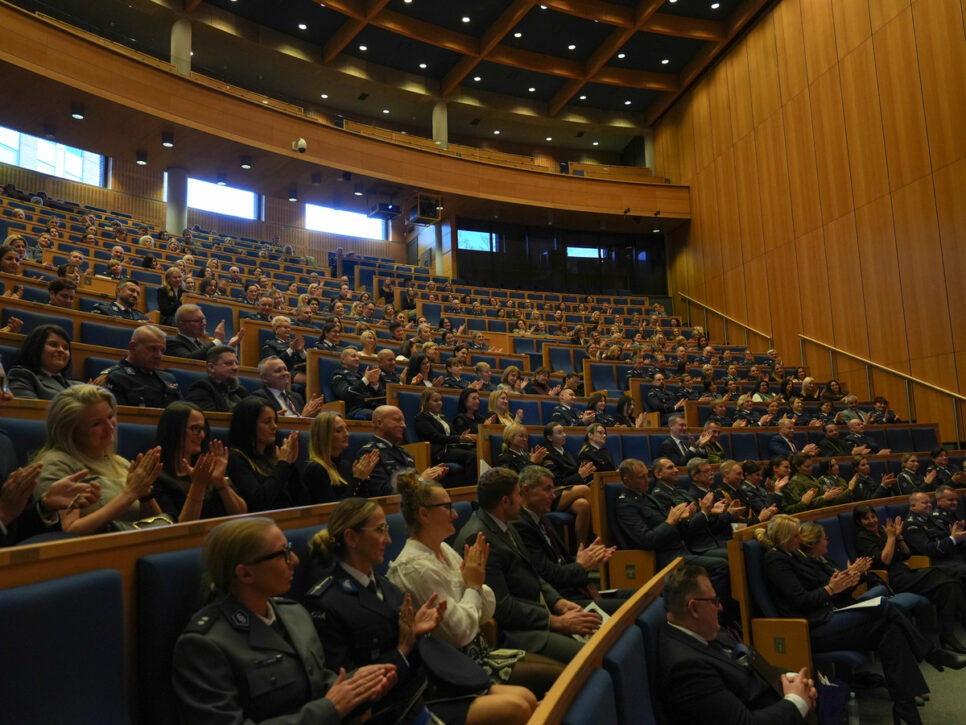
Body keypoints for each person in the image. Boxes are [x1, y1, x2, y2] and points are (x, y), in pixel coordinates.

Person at [303, 498, 537, 725]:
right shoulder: (327, 602)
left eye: (386, 529)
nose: (388, 538)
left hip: (425, 687)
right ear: (352, 538)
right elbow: (349, 687)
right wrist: (403, 648)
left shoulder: (385, 586)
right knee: (515, 709)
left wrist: (417, 632)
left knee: (526, 698)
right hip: (390, 709)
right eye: (380, 530)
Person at [172, 517, 397, 724]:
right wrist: (330, 708)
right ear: (245, 574)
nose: (295, 560)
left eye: (289, 549)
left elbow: (315, 681)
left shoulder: (294, 613)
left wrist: (359, 687)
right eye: (282, 554)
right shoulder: (205, 644)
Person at [757, 514, 939, 724]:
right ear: (785, 537)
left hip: (828, 614)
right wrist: (831, 589)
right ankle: (930, 652)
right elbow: (801, 600)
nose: (800, 539)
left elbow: (820, 582)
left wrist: (843, 579)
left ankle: (904, 705)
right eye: (795, 536)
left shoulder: (793, 555)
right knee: (885, 608)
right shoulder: (775, 559)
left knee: (890, 631)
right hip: (811, 627)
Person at [454, 467, 601, 664]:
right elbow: (502, 607)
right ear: (505, 502)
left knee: (604, 634)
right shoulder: (479, 538)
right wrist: (555, 622)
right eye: (518, 495)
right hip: (516, 632)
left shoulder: (505, 523)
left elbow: (532, 572)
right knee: (590, 656)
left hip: (536, 613)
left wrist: (558, 602)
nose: (521, 501)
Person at [658, 564, 817, 725]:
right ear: (694, 608)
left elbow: (753, 665)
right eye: (714, 601)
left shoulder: (706, 630)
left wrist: (793, 679)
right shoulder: (687, 669)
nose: (720, 607)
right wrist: (797, 701)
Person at [33, 385, 164, 535]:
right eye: (97, 424)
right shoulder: (57, 464)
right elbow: (69, 532)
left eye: (110, 416)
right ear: (70, 432)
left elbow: (158, 526)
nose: (110, 426)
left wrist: (145, 494)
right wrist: (130, 494)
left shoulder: (119, 462)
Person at [514, 465, 630, 613]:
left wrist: (590, 558)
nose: (553, 496)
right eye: (547, 489)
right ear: (526, 490)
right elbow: (549, 576)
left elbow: (565, 564)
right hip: (563, 602)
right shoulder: (520, 527)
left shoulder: (543, 520)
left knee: (645, 597)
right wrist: (583, 565)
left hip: (576, 590)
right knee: (635, 608)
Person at [613, 458, 732, 600]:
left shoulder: (648, 498)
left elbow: (678, 529)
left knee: (733, 555)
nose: (647, 480)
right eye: (641, 477)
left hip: (680, 550)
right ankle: (712, 613)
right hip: (662, 557)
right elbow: (646, 540)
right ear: (627, 481)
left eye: (647, 475)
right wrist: (671, 521)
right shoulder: (626, 505)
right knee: (720, 566)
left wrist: (686, 518)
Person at [853, 504, 966, 652]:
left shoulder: (883, 531)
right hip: (892, 580)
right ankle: (957, 627)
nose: (872, 520)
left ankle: (947, 636)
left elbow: (907, 554)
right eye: (866, 519)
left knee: (948, 585)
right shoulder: (862, 538)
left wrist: (899, 537)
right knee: (946, 573)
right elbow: (885, 560)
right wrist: (891, 537)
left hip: (906, 572)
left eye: (873, 516)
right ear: (859, 522)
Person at [153, 402, 247, 521]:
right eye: (195, 428)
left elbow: (241, 514)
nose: (202, 435)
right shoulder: (157, 477)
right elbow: (178, 531)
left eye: (203, 429)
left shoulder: (207, 467)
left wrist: (220, 481)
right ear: (174, 430)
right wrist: (198, 485)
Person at [224, 398, 307, 512]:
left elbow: (303, 502)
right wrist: (283, 465)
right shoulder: (236, 458)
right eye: (267, 422)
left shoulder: (273, 456)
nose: (274, 427)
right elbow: (259, 503)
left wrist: (291, 465)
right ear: (249, 425)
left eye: (275, 421)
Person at [302, 413, 379, 504]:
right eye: (339, 431)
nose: (347, 434)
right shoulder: (316, 469)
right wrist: (357, 479)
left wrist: (363, 478)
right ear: (324, 436)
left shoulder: (345, 465)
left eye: (346, 429)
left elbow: (360, 502)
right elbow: (334, 511)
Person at [102, 325, 183, 408]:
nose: (159, 355)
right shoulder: (114, 378)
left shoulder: (168, 378)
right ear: (133, 346)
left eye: (162, 350)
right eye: (152, 349)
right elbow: (120, 417)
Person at [541, 423, 595, 545]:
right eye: (559, 432)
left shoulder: (567, 453)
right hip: (554, 495)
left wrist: (584, 475)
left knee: (583, 505)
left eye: (564, 431)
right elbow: (557, 482)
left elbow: (575, 476)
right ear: (550, 438)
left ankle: (581, 547)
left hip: (567, 494)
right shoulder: (547, 455)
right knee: (585, 490)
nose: (564, 435)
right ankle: (600, 534)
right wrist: (579, 475)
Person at [413, 388, 477, 486]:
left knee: (477, 451)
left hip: (451, 449)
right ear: (426, 402)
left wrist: (464, 437)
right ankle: (470, 488)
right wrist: (459, 438)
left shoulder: (443, 417)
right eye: (435, 400)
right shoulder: (422, 417)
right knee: (472, 456)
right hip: (439, 452)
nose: (439, 403)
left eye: (440, 400)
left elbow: (454, 435)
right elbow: (435, 437)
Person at [903, 492, 966, 581]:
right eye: (925, 503)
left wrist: (958, 537)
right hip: (935, 563)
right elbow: (928, 549)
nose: (929, 505)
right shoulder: (911, 525)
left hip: (951, 557)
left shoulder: (931, 518)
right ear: (913, 506)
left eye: (930, 502)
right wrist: (953, 538)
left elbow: (948, 539)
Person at [7, 324, 81, 400]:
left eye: (65, 348)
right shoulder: (23, 376)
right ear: (36, 348)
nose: (61, 350)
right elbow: (28, 410)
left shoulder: (78, 384)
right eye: (53, 345)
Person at [250, 356, 325, 418]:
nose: (285, 373)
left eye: (285, 369)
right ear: (264, 378)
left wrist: (312, 413)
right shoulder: (260, 398)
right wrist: (303, 417)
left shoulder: (296, 396)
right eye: (278, 371)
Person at [166, 304, 243, 360]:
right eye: (198, 321)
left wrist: (231, 346)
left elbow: (224, 363)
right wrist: (217, 340)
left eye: (203, 319)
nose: (204, 323)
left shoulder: (203, 345)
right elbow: (188, 360)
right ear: (182, 325)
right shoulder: (172, 343)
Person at [185, 345, 250, 412]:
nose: (235, 368)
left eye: (236, 363)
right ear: (211, 367)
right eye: (229, 363)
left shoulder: (240, 390)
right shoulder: (201, 389)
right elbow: (214, 420)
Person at [330, 347, 384, 420]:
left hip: (371, 407)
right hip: (354, 410)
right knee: (380, 416)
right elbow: (345, 394)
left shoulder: (362, 375)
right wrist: (365, 380)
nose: (357, 359)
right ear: (343, 359)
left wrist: (375, 384)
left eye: (358, 357)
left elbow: (379, 396)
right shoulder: (339, 375)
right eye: (353, 356)